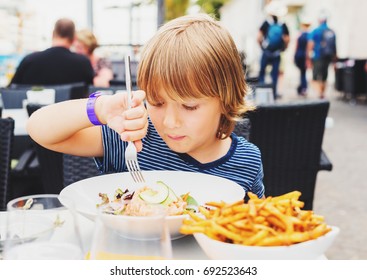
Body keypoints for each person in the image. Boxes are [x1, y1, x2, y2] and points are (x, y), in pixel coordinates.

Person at [26, 14, 265, 198]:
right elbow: (40, 131)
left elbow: (257, 226)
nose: (170, 122)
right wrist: (101, 108)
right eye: (157, 102)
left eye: (189, 106)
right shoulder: (134, 139)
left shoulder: (247, 161)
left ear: (225, 99)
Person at [10, 18, 94, 86]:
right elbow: (89, 94)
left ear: (53, 34)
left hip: (37, 107)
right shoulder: (83, 63)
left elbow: (10, 91)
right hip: (70, 107)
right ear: (74, 38)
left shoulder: (29, 60)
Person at [257, 1, 289, 99]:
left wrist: (262, 47)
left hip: (266, 52)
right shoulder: (282, 24)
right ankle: (273, 94)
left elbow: (258, 37)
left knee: (262, 72)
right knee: (275, 74)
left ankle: (260, 93)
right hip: (277, 53)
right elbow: (287, 39)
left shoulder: (266, 23)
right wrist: (283, 48)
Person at [307, 11, 337, 99]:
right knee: (324, 75)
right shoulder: (331, 31)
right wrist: (335, 60)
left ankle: (319, 93)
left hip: (318, 56)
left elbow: (310, 44)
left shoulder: (316, 31)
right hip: (328, 57)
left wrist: (308, 57)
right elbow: (334, 47)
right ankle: (322, 92)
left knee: (315, 76)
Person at [294, 18, 311, 96]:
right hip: (304, 56)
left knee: (302, 73)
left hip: (300, 56)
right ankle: (303, 87)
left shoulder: (300, 34)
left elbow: (296, 46)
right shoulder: (309, 35)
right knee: (303, 73)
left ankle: (303, 87)